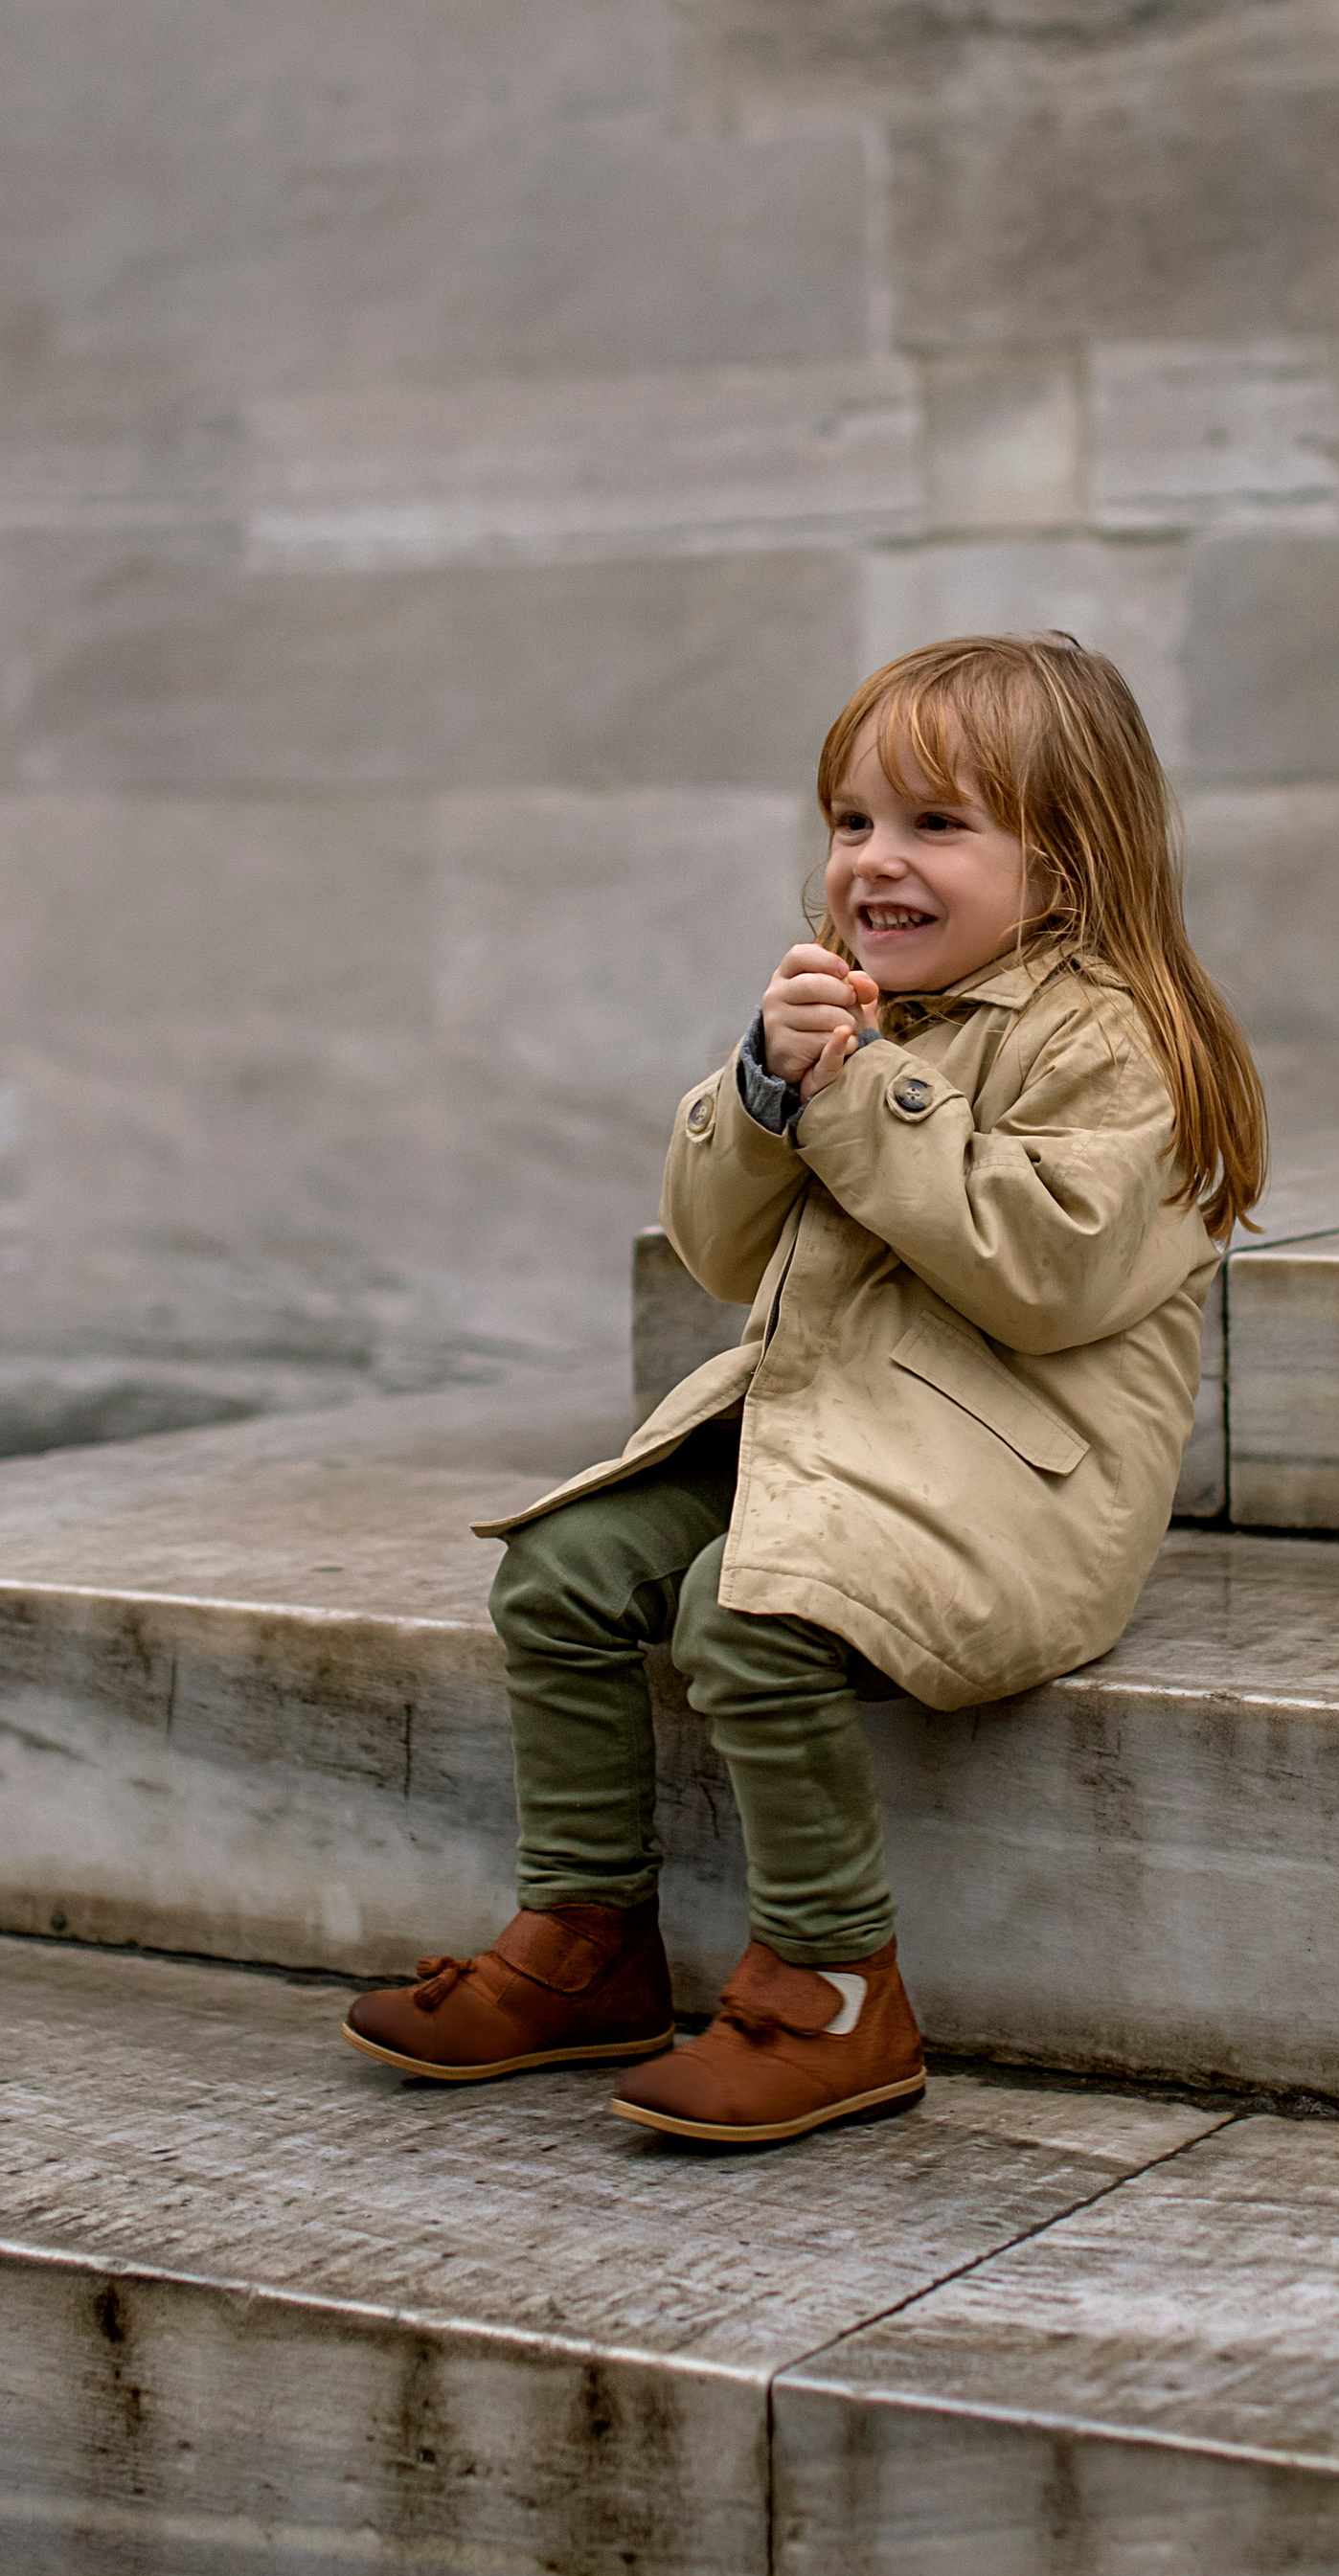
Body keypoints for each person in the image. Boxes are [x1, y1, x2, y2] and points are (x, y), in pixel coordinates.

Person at [342, 632, 1267, 2145]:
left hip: (1015, 1485)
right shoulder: (862, 1011)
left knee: (742, 1609)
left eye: (934, 825)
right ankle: (587, 1943)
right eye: (851, 822)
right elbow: (713, 1249)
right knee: (561, 1575)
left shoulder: (1121, 1045)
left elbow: (1049, 1280)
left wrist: (857, 1096)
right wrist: (766, 1093)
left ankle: (835, 1988)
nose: (872, 864)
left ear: (1066, 868)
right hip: (835, 1430)